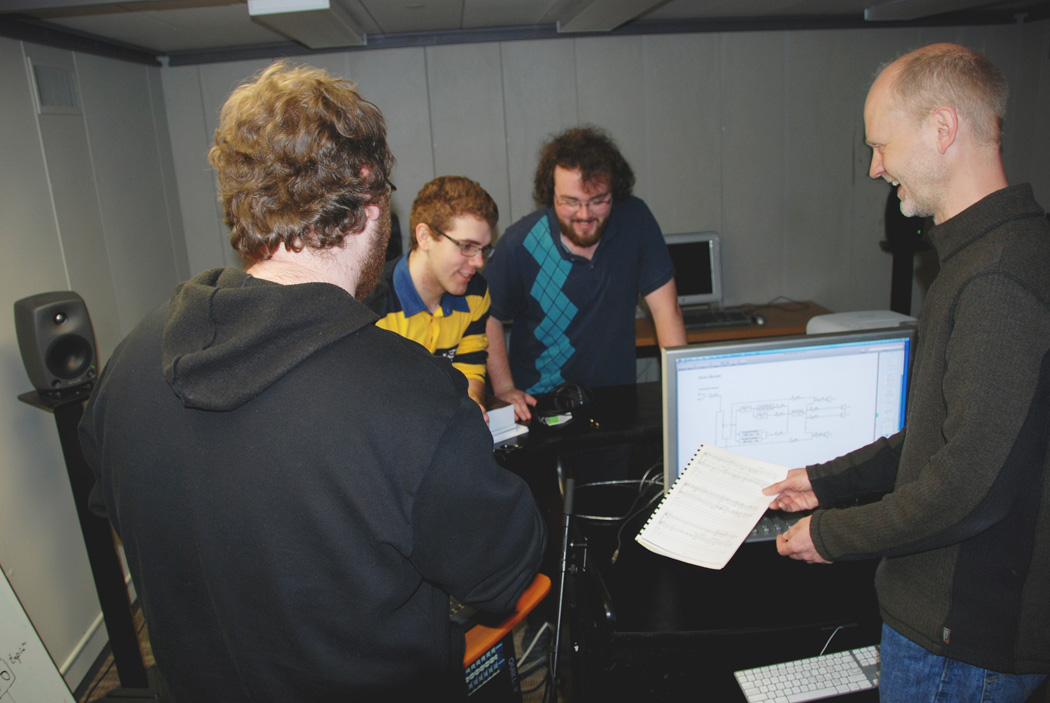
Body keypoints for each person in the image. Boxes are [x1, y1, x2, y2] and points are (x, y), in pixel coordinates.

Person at [78, 62, 545, 702]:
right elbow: (503, 575)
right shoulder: (413, 396)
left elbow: (125, 506)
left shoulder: (128, 363)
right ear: (369, 197)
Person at [763, 43, 1049, 702]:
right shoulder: (992, 251)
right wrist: (820, 482)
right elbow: (937, 435)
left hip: (961, 642)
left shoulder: (997, 277)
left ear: (942, 129)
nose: (874, 167)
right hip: (958, 632)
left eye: (881, 144)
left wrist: (833, 535)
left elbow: (967, 487)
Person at [484, 126, 686, 421]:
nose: (584, 215)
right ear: (550, 193)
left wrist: (682, 390)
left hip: (616, 402)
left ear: (614, 190)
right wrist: (504, 388)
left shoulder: (635, 221)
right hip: (540, 406)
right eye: (570, 201)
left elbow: (667, 310)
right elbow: (486, 315)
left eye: (598, 200)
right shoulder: (521, 243)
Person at [365, 176, 497, 420]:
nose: (479, 262)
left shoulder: (476, 292)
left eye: (484, 249)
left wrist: (473, 405)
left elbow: (470, 365)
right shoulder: (370, 304)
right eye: (467, 246)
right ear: (425, 236)